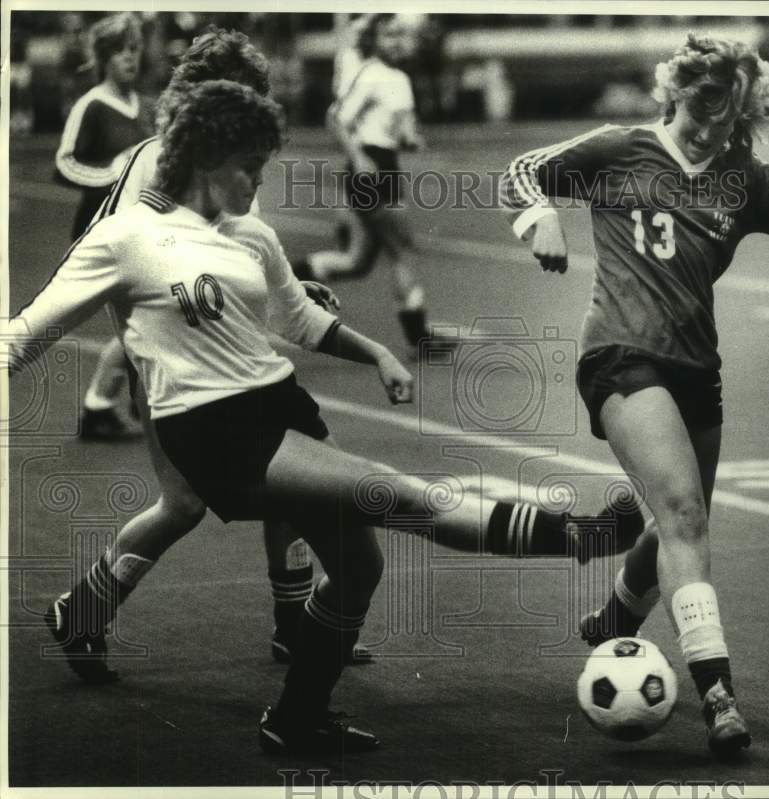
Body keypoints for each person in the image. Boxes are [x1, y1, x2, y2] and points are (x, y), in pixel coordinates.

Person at [7, 80, 645, 754]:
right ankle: (577, 536)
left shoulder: (249, 233)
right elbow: (25, 333)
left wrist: (376, 353)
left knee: (358, 566)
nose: (258, 181)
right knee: (395, 494)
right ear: (205, 157)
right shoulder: (127, 237)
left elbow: (298, 317)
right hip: (214, 432)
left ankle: (297, 717)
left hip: (279, 405)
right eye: (248, 166)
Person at [500, 32, 769, 756]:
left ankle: (614, 622)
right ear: (676, 92)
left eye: (727, 114)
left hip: (696, 369)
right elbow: (523, 172)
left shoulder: (742, 177)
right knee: (686, 513)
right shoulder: (619, 149)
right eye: (700, 107)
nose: (710, 124)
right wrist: (541, 219)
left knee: (670, 526)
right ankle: (718, 692)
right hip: (620, 356)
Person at [49, 27, 372, 676]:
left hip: (200, 359)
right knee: (193, 501)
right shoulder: (161, 163)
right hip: (173, 364)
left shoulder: (195, 157)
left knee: (283, 478)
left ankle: (287, 624)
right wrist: (148, 346)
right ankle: (85, 608)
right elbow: (110, 261)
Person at [294, 14, 447, 356]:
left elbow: (401, 132)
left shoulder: (400, 79)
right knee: (403, 250)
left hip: (385, 165)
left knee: (358, 261)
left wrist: (411, 139)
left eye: (399, 35)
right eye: (387, 35)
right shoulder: (372, 75)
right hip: (371, 170)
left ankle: (288, 277)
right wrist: (359, 157)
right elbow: (335, 119)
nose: (395, 41)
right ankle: (418, 336)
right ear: (373, 41)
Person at [54, 12, 155, 440]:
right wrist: (112, 176)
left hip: (141, 233)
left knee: (146, 325)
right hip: (101, 233)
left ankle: (105, 405)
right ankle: (110, 403)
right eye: (118, 51)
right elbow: (64, 163)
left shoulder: (144, 107)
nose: (129, 59)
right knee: (143, 325)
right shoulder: (92, 105)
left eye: (133, 49)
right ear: (102, 58)